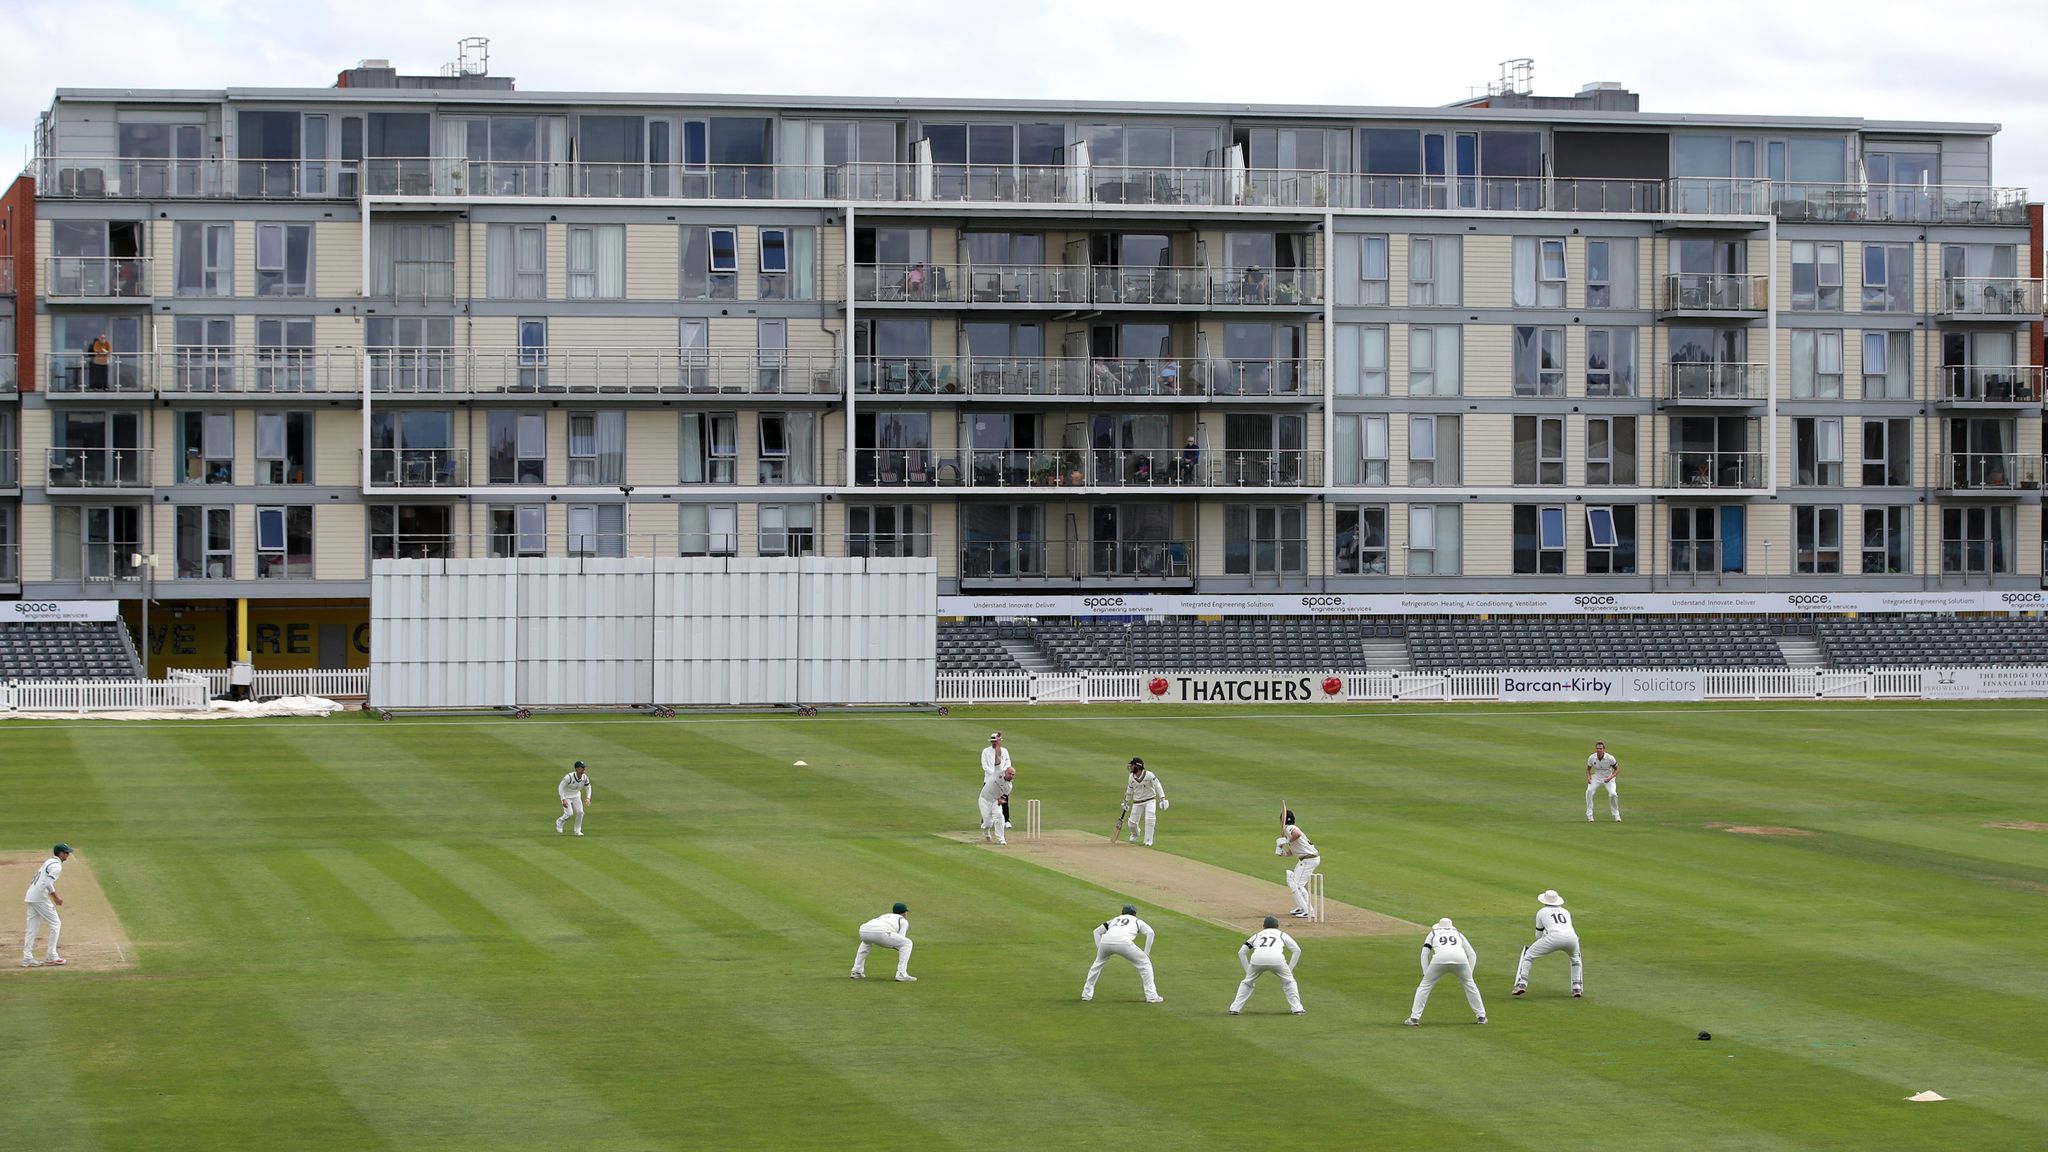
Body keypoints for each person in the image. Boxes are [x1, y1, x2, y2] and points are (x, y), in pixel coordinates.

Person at [1407, 917, 1486, 1026]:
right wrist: (1469, 975)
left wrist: (1426, 973)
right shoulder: (1458, 934)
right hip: (1461, 959)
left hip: (1439, 959)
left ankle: (1414, 1018)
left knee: (1424, 986)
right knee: (1470, 985)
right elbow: (1472, 954)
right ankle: (1481, 1016)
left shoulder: (1433, 933)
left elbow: (1424, 954)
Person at [1082, 904, 1162, 1002]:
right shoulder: (1137, 921)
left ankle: (1086, 994)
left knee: (1096, 966)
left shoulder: (1114, 920)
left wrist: (1100, 948)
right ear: (1135, 914)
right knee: (1145, 963)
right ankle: (1152, 996)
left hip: (1105, 941)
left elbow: (1096, 932)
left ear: (1122, 913)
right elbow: (1150, 933)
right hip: (1123, 942)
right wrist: (1146, 953)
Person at [1513, 889, 1583, 998]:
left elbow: (1538, 936)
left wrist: (1546, 937)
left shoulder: (1542, 912)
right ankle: (1576, 987)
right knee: (1576, 959)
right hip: (1572, 938)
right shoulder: (1566, 912)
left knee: (1529, 955)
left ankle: (1522, 983)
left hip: (1554, 937)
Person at [1228, 916, 1304, 1015]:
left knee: (1247, 983)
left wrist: (1248, 971)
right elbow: (1297, 950)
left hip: (1257, 959)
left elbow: (1241, 952)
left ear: (1263, 926)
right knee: (1289, 982)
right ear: (1277, 926)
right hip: (1277, 960)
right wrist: (1290, 969)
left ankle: (1234, 1009)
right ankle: (1297, 1009)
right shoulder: (1282, 934)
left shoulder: (1257, 935)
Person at [22, 843, 71, 968]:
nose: (68, 855)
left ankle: (27, 958)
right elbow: (48, 883)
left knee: (31, 928)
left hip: (31, 895)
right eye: (66, 852)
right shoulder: (56, 866)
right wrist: (56, 897)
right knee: (56, 923)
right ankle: (52, 956)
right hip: (39, 897)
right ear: (60, 853)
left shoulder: (49, 861)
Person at [851, 902, 915, 981]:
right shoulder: (903, 920)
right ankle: (902, 974)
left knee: (866, 943)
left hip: (863, 930)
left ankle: (856, 971)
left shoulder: (886, 915)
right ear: (904, 913)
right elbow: (901, 940)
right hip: (880, 932)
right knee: (907, 943)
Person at [1277, 809, 1319, 920]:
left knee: (1297, 885)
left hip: (1309, 859)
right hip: (1307, 858)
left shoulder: (1289, 828)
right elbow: (1293, 851)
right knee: (1293, 882)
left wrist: (1286, 841)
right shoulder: (1289, 831)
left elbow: (1297, 834)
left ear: (1282, 821)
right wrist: (1283, 853)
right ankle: (1302, 907)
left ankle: (1308, 911)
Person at [1122, 757, 1168, 846]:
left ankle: (1148, 840)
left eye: (1132, 765)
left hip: (1150, 800)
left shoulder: (1149, 775)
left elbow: (1158, 785)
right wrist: (1126, 802)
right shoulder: (1131, 777)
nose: (1131, 767)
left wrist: (1163, 799)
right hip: (1137, 802)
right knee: (1132, 823)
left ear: (1138, 766)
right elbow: (1129, 790)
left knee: (1150, 818)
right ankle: (1135, 833)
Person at [977, 732, 1010, 845]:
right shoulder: (997, 769)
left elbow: (1005, 761)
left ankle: (1001, 839)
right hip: (985, 798)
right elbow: (996, 759)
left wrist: (1001, 800)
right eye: (993, 741)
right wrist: (994, 776)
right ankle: (985, 831)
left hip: (995, 800)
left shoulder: (1008, 785)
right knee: (988, 823)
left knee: (1000, 817)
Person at [981, 731, 1015, 831]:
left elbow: (1008, 763)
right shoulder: (985, 751)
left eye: (996, 741)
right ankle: (985, 821)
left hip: (1001, 781)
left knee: (1004, 800)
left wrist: (1002, 773)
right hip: (989, 781)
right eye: (993, 741)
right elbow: (985, 766)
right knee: (987, 801)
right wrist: (994, 774)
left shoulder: (1004, 751)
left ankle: (1006, 820)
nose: (994, 743)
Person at [1586, 740, 1620, 822]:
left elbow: (1617, 769)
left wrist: (1610, 777)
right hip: (1596, 776)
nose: (1598, 750)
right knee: (1589, 791)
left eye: (1600, 748)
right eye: (1597, 748)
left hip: (1608, 776)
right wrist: (1588, 777)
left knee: (1613, 794)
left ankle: (1616, 814)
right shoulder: (1592, 757)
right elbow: (1588, 769)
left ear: (1604, 749)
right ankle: (1589, 815)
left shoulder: (1610, 758)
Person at [556, 760, 592, 835]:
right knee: (569, 814)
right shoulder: (568, 777)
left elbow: (588, 787)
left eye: (584, 767)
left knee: (580, 812)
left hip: (576, 796)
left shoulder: (585, 777)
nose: (584, 769)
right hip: (566, 796)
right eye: (582, 768)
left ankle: (577, 831)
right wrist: (563, 799)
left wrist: (588, 798)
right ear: (577, 769)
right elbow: (560, 787)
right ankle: (560, 821)